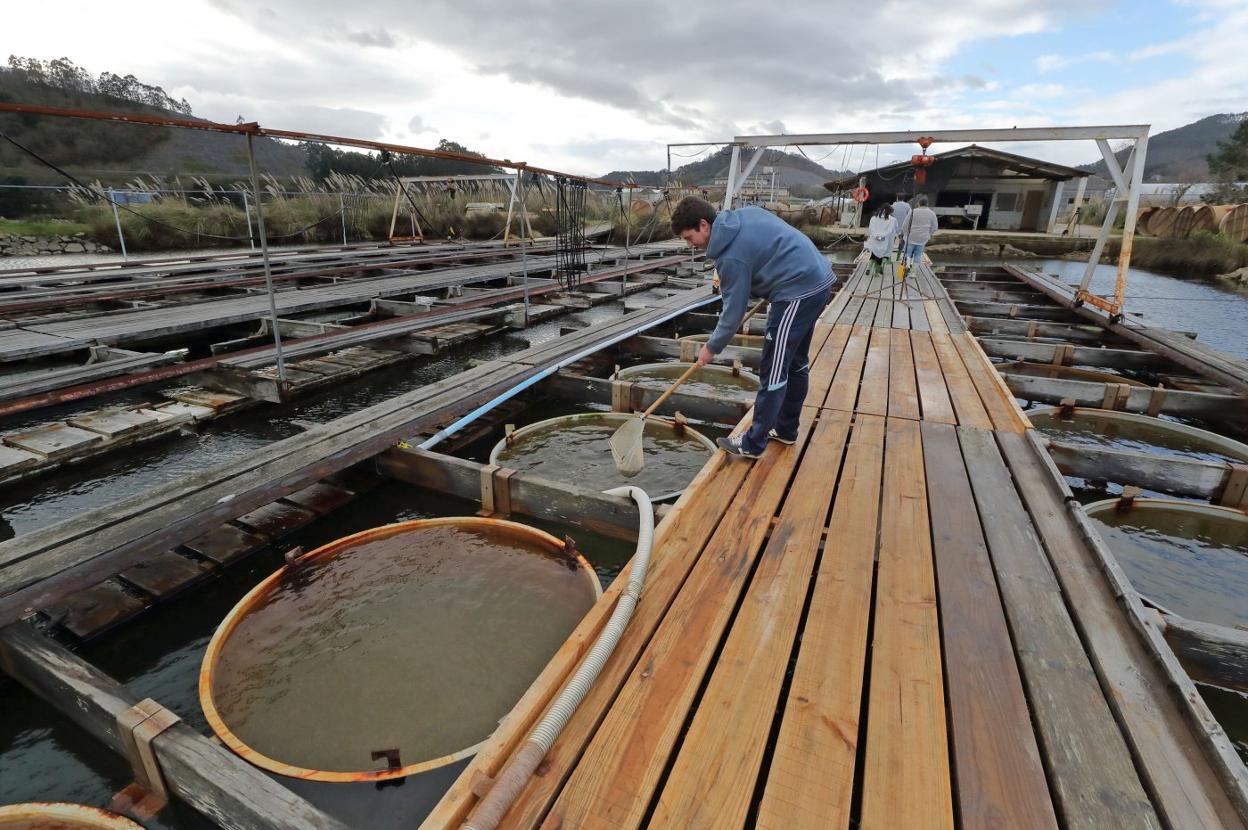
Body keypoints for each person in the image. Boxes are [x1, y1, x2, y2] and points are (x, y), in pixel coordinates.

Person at [670, 196, 836, 460]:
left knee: (773, 369)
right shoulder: (743, 215)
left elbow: (733, 313)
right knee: (795, 364)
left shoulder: (730, 258)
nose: (691, 245)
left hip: (797, 290)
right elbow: (772, 245)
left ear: (704, 225)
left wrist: (711, 348)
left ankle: (752, 444)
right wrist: (771, 279)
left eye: (690, 238)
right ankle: (786, 430)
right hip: (817, 279)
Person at [904, 196, 939, 267]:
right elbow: (935, 227)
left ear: (919, 203)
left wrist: (906, 233)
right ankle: (913, 272)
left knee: (908, 253)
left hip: (912, 236)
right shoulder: (932, 213)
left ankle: (907, 266)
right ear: (927, 204)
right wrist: (929, 234)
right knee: (918, 255)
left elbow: (905, 224)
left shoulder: (913, 212)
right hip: (923, 237)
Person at [862, 204, 896, 276]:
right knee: (880, 256)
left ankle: (868, 268)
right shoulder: (892, 219)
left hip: (874, 239)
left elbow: (871, 228)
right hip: (883, 240)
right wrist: (882, 236)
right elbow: (889, 230)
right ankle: (876, 273)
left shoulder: (873, 218)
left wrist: (876, 236)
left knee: (873, 254)